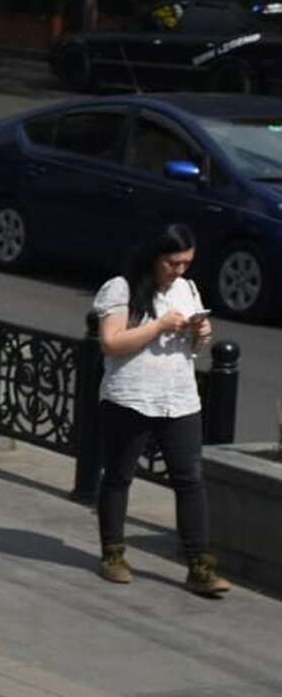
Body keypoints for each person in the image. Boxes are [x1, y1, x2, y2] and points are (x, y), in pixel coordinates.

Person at [93, 223, 229, 597]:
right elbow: (111, 342)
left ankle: (199, 564)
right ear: (155, 257)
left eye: (186, 263)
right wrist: (159, 326)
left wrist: (199, 335)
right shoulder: (121, 288)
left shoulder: (187, 289)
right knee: (119, 475)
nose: (179, 271)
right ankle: (113, 554)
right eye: (173, 263)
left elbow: (192, 348)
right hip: (131, 396)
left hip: (179, 398)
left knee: (190, 480)